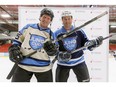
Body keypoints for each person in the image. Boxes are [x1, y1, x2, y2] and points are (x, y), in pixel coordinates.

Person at [8, 8, 57, 82]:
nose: (46, 20)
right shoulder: (28, 27)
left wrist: (52, 52)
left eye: (48, 18)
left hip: (43, 67)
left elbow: (54, 52)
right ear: (40, 17)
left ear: (50, 21)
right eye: (44, 17)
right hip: (24, 64)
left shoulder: (51, 34)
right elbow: (17, 40)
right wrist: (14, 49)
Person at [54, 11, 103, 82]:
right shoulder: (57, 33)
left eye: (69, 19)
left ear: (72, 19)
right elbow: (54, 50)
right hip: (63, 63)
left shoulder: (79, 31)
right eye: (65, 19)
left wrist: (94, 43)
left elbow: (86, 44)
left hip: (79, 62)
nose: (67, 21)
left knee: (85, 82)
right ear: (62, 20)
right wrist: (60, 55)